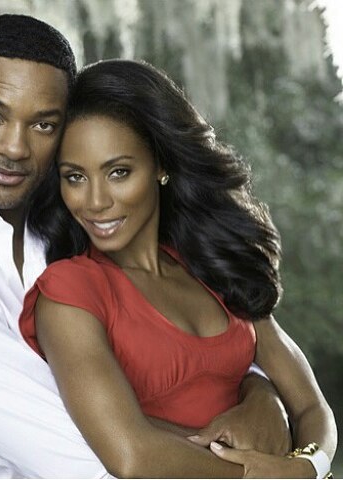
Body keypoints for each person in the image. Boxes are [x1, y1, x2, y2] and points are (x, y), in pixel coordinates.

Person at [0, 13, 290, 479]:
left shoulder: (82, 221)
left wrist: (261, 394)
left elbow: (198, 350)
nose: (14, 147)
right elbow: (86, 451)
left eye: (43, 125)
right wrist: (262, 464)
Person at [20, 59, 337, 478]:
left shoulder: (210, 262)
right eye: (75, 177)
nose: (95, 201)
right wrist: (259, 473)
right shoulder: (69, 292)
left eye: (118, 172)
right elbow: (132, 455)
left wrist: (308, 466)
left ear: (161, 166)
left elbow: (312, 406)